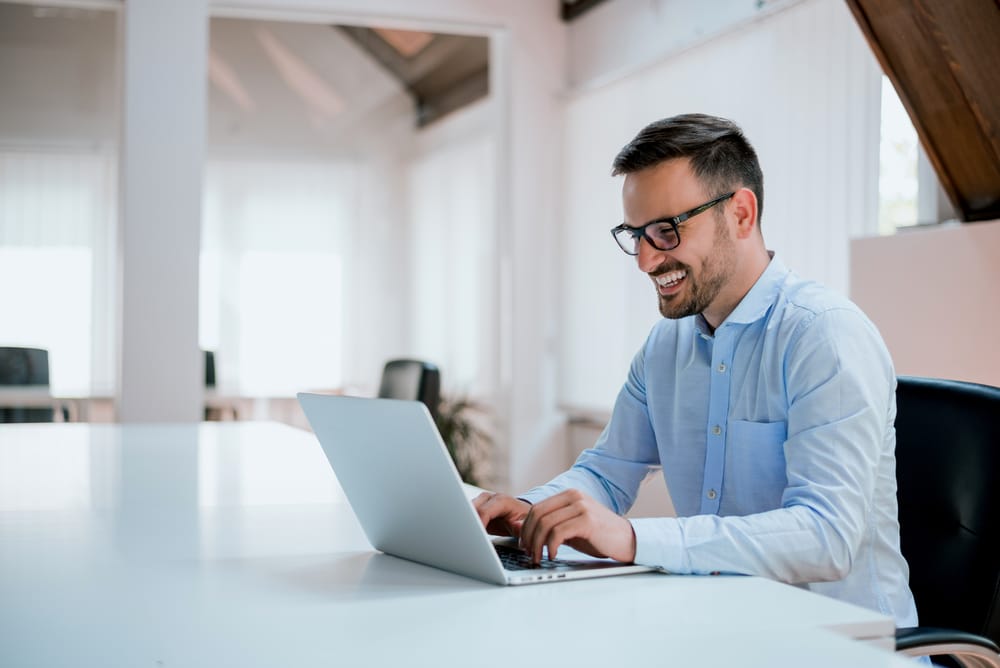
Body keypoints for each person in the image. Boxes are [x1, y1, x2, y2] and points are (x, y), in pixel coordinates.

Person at [474, 113, 918, 627]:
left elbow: (826, 537)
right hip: (720, 630)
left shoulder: (825, 336)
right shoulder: (666, 346)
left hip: (839, 647)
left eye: (666, 231)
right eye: (635, 234)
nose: (645, 261)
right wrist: (530, 510)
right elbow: (606, 472)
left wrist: (633, 538)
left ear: (741, 215)